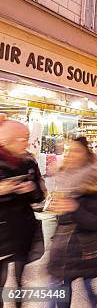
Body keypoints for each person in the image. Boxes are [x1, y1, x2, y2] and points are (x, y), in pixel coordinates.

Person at [47, 137, 97, 308]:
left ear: (86, 155)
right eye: (67, 150)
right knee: (58, 293)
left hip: (85, 249)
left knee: (86, 288)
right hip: (62, 250)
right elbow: (62, 219)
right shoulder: (63, 179)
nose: (69, 154)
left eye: (75, 151)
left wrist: (74, 207)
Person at [0, 121, 46, 308]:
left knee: (19, 278)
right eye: (22, 139)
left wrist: (31, 189)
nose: (25, 143)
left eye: (26, 139)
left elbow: (40, 196)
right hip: (1, 230)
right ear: (8, 140)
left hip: (22, 230)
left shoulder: (29, 162)